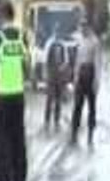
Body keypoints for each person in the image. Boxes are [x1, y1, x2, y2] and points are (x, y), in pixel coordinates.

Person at [0, 3, 28, 181]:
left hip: (3, 95)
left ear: (3, 15)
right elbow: (26, 63)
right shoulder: (22, 36)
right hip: (18, 95)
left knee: (3, 140)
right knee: (18, 138)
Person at [70, 17, 101, 147]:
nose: (83, 29)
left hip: (90, 72)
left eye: (85, 27)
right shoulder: (79, 40)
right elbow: (77, 60)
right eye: (81, 26)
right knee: (77, 105)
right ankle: (74, 132)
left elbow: (98, 61)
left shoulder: (94, 41)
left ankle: (90, 134)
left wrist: (96, 80)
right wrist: (75, 77)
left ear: (89, 27)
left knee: (92, 107)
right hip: (81, 73)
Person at [43, 24, 68, 132]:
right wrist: (46, 73)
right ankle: (47, 119)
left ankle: (56, 120)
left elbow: (66, 59)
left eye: (59, 31)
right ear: (54, 32)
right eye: (56, 31)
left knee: (58, 98)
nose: (57, 33)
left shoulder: (63, 44)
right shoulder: (49, 43)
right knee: (49, 97)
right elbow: (45, 59)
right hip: (51, 73)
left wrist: (62, 67)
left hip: (60, 74)